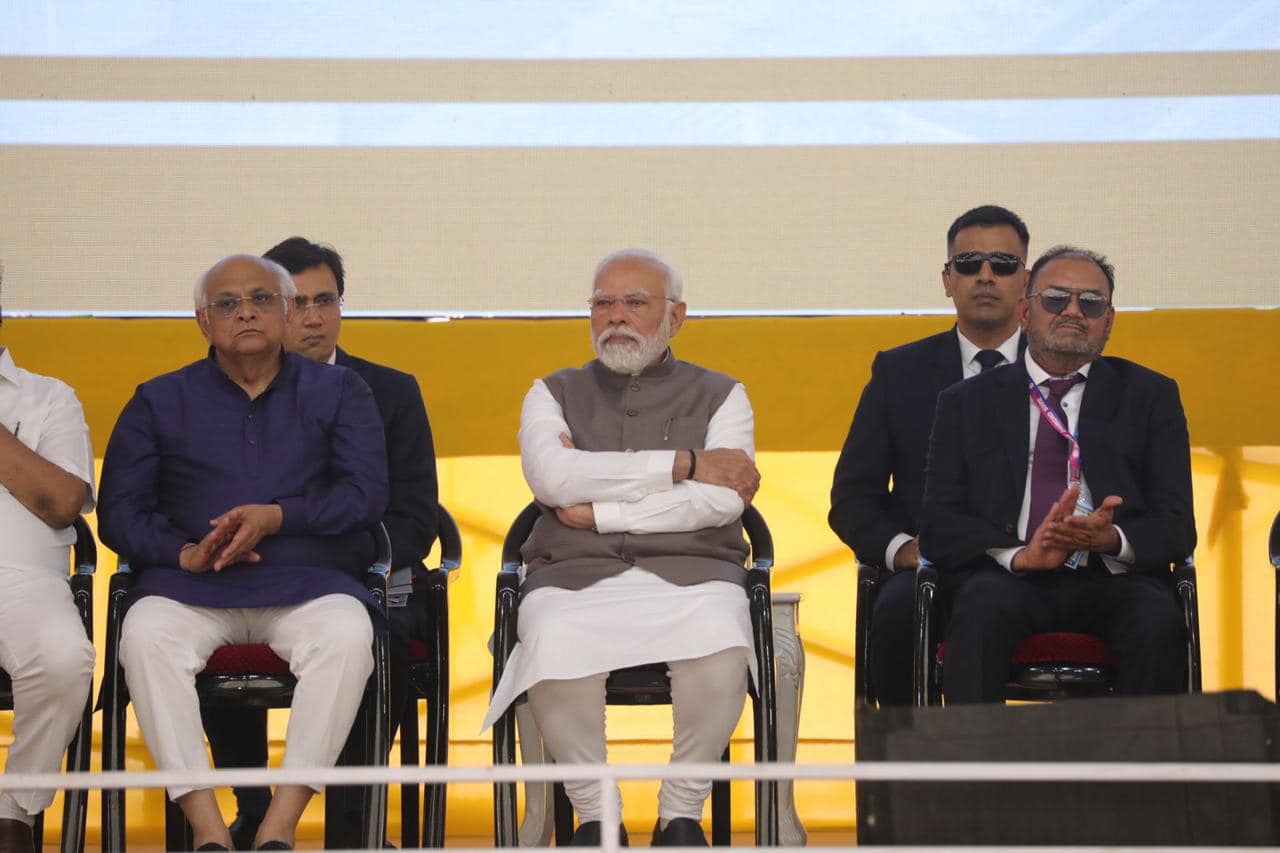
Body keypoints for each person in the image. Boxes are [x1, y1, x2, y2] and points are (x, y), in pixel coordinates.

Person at [98, 254, 389, 851]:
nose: (246, 312)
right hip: (191, 589)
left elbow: (365, 496)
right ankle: (208, 831)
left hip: (310, 585)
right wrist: (183, 553)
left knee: (346, 633)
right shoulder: (159, 399)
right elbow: (118, 512)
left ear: (286, 312)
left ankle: (278, 828)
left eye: (261, 299)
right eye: (227, 303)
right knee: (145, 634)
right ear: (202, 322)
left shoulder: (340, 391)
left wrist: (278, 517)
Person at [483, 249, 761, 847]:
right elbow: (554, 478)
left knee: (722, 639)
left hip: (694, 575)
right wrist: (685, 464)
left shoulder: (723, 395)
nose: (616, 316)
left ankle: (681, 815)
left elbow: (720, 502)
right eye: (603, 303)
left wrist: (601, 511)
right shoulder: (552, 391)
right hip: (572, 575)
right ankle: (595, 815)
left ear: (676, 316)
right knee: (552, 635)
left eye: (635, 302)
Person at [200, 237, 440, 849]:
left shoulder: (392, 391)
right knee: (204, 613)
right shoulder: (223, 390)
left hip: (367, 577)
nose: (312, 317)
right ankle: (255, 810)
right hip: (256, 574)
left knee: (372, 631)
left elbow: (417, 517)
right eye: (298, 302)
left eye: (325, 301)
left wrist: (338, 557)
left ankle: (354, 825)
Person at [920, 245, 1195, 703]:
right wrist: (1020, 555)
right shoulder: (965, 402)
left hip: (1114, 578)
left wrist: (1111, 539)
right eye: (1056, 299)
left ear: (1109, 321)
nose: (1073, 312)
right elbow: (939, 524)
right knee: (977, 612)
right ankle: (975, 754)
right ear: (1025, 311)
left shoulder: (1151, 396)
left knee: (1158, 621)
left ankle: (1134, 755)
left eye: (1091, 303)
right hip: (1008, 576)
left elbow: (1177, 526)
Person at [829, 205, 1029, 705]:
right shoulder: (899, 372)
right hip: (935, 570)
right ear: (947, 279)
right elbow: (853, 497)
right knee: (897, 613)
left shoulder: (1061, 367)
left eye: (1004, 264)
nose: (986, 275)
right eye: (969, 263)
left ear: (1026, 281)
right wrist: (901, 550)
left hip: (1038, 567)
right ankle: (910, 757)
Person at [0, 268, 96, 853]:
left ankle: (13, 812)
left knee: (64, 659)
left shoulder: (48, 397)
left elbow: (63, 504)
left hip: (23, 582)